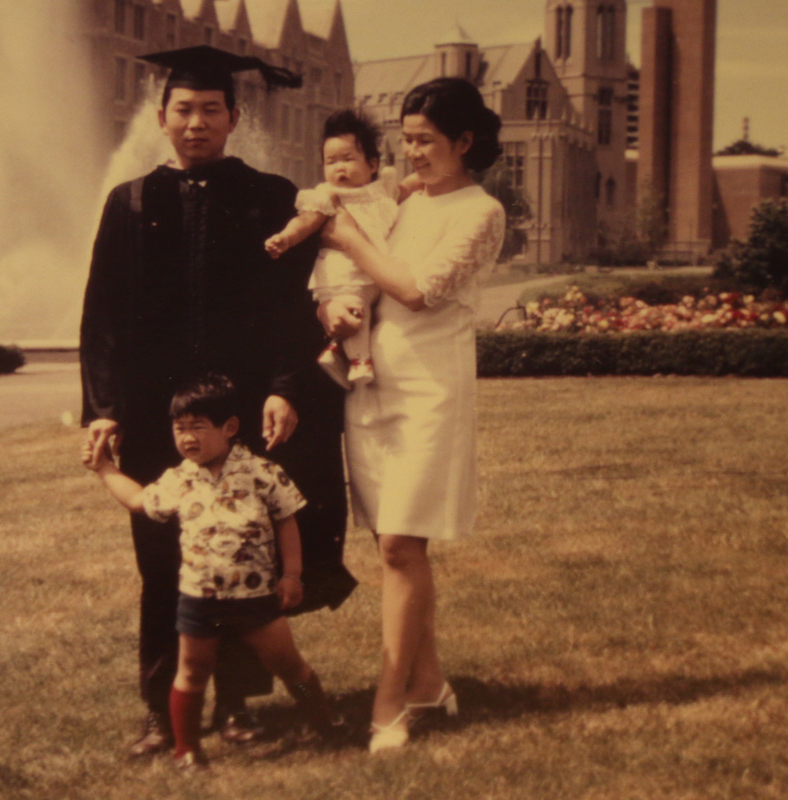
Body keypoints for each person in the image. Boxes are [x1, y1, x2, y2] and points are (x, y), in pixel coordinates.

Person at [79, 45, 357, 758]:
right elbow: (102, 316)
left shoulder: (267, 196)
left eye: (211, 110)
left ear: (234, 117)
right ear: (162, 117)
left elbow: (293, 307)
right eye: (183, 110)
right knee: (160, 559)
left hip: (242, 410)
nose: (196, 123)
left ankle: (236, 703)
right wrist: (105, 407)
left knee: (242, 554)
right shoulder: (131, 201)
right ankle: (158, 706)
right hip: (153, 417)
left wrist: (288, 388)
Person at [318, 77, 507, 753]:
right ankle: (428, 683)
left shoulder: (480, 212)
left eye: (426, 140)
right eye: (407, 138)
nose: (412, 152)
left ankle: (388, 704)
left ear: (465, 141)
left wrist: (344, 236)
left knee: (401, 544)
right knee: (392, 546)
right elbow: (358, 286)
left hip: (430, 391)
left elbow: (416, 290)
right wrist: (329, 309)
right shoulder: (395, 198)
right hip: (370, 386)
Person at [82, 374, 346, 770]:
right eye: (179, 428)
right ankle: (187, 750)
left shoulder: (259, 471)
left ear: (230, 428)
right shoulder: (179, 478)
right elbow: (138, 501)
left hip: (256, 599)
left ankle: (327, 723)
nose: (187, 438)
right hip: (199, 601)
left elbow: (286, 520)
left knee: (291, 666)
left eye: (198, 428)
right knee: (191, 674)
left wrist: (292, 575)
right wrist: (104, 468)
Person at [264, 109, 419, 388]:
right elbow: (306, 221)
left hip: (374, 271)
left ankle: (336, 351)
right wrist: (286, 238)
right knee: (356, 307)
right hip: (344, 272)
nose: (339, 168)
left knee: (367, 312)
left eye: (348, 159)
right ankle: (360, 362)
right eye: (330, 161)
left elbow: (406, 188)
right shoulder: (329, 196)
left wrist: (432, 175)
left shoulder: (381, 191)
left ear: (372, 164)